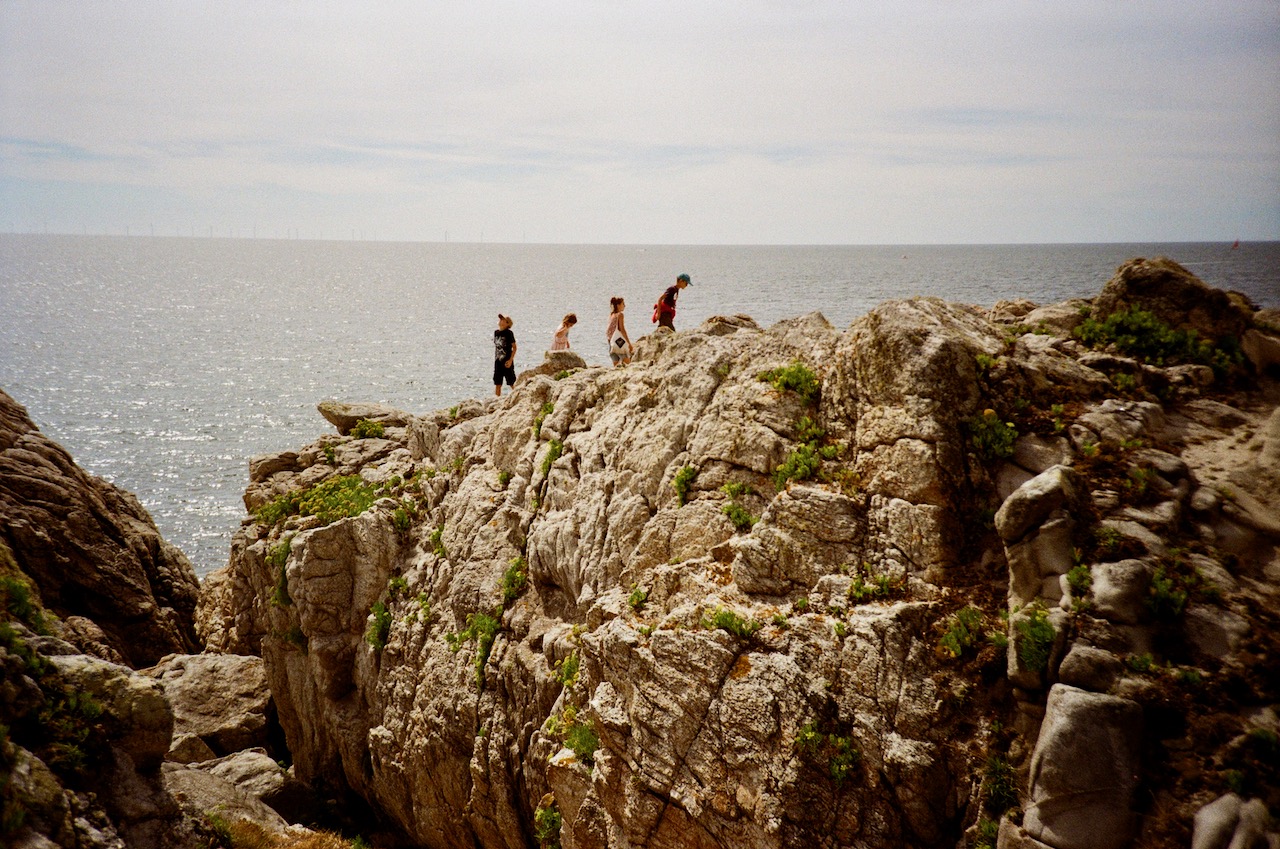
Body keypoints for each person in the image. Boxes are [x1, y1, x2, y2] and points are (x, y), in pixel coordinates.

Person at [493, 313, 517, 396]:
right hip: (498, 361)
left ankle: (518, 396)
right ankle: (497, 400)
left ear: (507, 324)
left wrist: (510, 360)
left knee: (511, 382)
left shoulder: (509, 333)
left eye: (503, 320)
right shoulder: (496, 333)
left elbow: (514, 347)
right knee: (497, 383)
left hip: (507, 361)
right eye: (500, 320)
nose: (500, 321)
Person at [607, 297, 632, 366]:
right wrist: (629, 344)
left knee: (616, 367)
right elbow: (622, 330)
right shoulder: (620, 315)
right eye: (623, 304)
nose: (624, 305)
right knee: (628, 365)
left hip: (611, 343)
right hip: (619, 343)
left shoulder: (611, 315)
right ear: (618, 305)